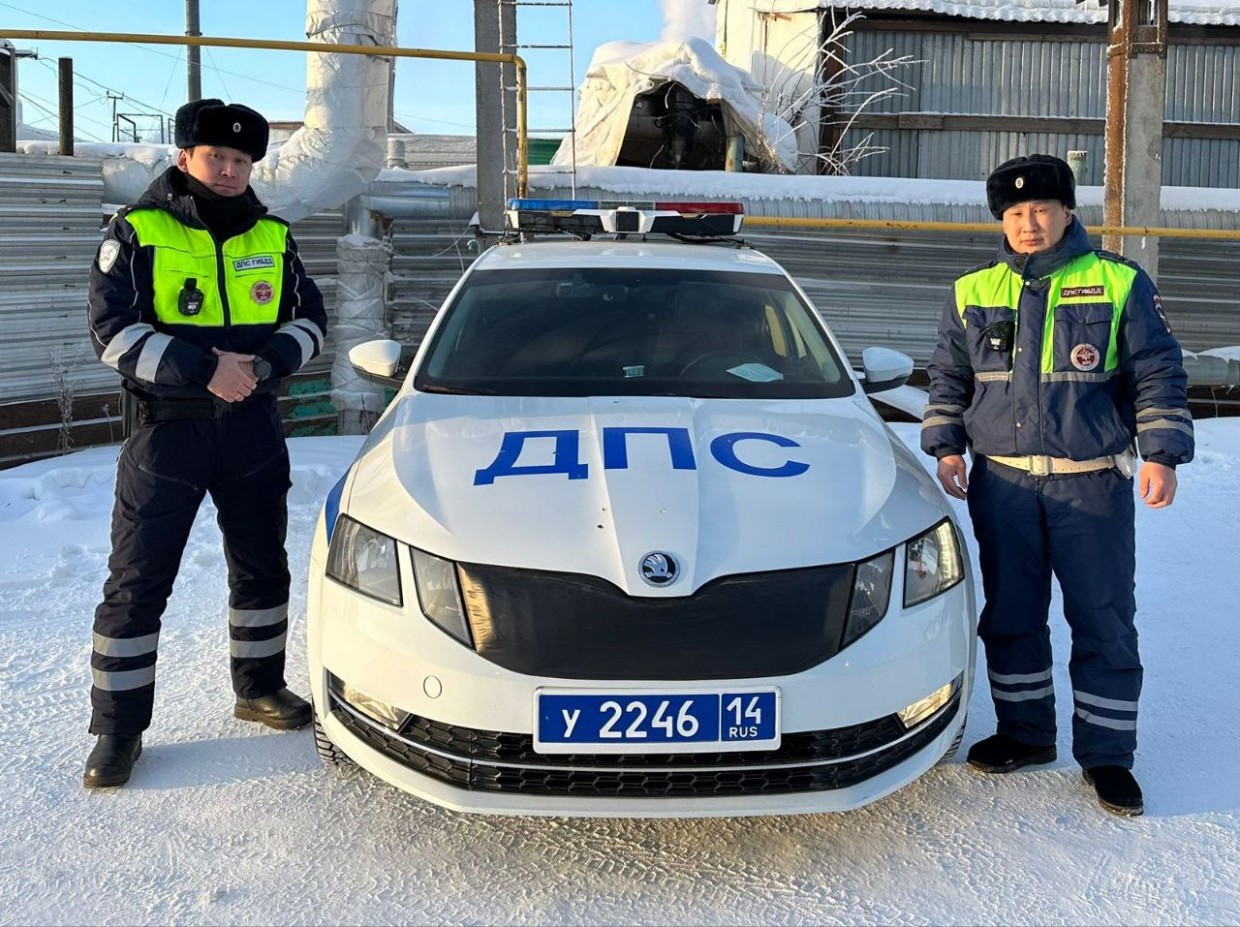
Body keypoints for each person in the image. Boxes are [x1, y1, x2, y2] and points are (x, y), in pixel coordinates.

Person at [921, 154, 1193, 817]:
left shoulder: (1117, 281)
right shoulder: (971, 292)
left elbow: (1158, 370)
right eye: (1014, 213)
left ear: (1068, 211)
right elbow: (948, 378)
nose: (1027, 222)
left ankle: (1106, 754)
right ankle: (1025, 732)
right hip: (1002, 486)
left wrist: (1161, 451)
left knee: (1102, 617)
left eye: (1040, 209)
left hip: (1090, 487)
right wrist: (945, 445)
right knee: (1011, 614)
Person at [83, 99, 328, 788]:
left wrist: (271, 360)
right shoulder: (136, 230)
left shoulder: (273, 237)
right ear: (186, 156)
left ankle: (258, 688)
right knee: (138, 580)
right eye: (217, 157)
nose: (228, 170)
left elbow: (310, 317)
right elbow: (113, 333)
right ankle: (117, 729)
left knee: (262, 567)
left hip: (252, 425)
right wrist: (205, 368)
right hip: (168, 429)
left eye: (242, 160)